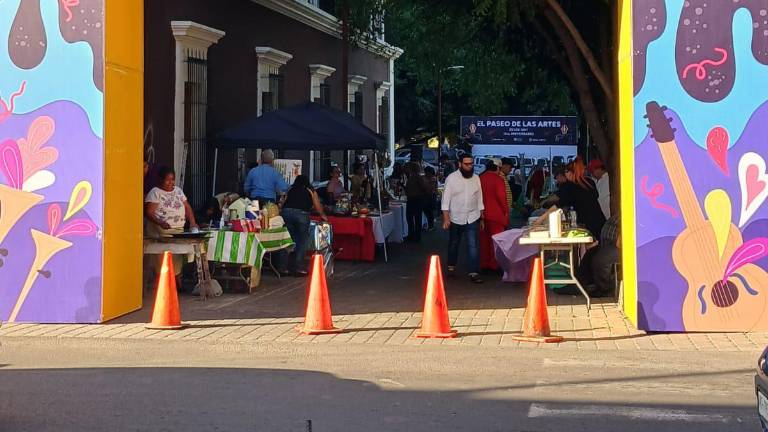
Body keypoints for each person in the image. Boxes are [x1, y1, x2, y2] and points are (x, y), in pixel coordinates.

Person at [441, 154, 485, 284]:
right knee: (454, 243)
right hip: (455, 217)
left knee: (473, 245)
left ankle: (473, 273)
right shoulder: (452, 179)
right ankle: (451, 268)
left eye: (471, 164)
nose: (470, 166)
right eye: (466, 164)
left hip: (473, 216)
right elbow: (446, 200)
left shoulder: (476, 178)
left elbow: (479, 199)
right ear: (459, 164)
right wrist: (446, 218)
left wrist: (482, 217)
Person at [539, 159, 606, 238]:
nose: (565, 174)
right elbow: (595, 196)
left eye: (566, 172)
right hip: (600, 221)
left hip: (587, 224)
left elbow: (557, 205)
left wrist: (540, 219)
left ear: (571, 173)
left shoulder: (571, 186)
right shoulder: (589, 181)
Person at [281, 175, 328, 276]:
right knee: (302, 241)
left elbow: (282, 202)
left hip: (286, 213)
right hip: (301, 214)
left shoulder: (290, 189)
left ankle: (284, 267)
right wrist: (323, 215)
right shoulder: (310, 190)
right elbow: (317, 206)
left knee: (288, 240)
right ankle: (298, 267)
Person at [144, 166, 198, 238]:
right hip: (161, 234)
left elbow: (187, 207)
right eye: (167, 180)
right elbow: (149, 212)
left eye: (172, 179)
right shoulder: (155, 192)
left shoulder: (178, 190)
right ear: (161, 180)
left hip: (179, 231)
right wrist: (160, 222)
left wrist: (192, 222)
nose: (170, 182)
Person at [576, 213, 620, 297]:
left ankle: (605, 289)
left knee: (602, 258)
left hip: (620, 247)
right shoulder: (618, 215)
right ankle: (581, 284)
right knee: (591, 253)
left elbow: (619, 243)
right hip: (608, 243)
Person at [478, 161, 509, 271]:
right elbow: (502, 198)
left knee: (484, 242)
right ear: (497, 168)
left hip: (481, 214)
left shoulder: (479, 178)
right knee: (496, 242)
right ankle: (494, 265)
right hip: (497, 215)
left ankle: (484, 264)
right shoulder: (498, 180)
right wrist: (506, 212)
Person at [404, 162, 427, 242]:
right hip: (413, 198)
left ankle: (415, 236)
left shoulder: (417, 177)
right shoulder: (413, 177)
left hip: (416, 198)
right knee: (412, 218)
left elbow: (423, 187)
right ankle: (413, 235)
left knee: (415, 218)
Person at [422, 166, 438, 231]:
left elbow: (431, 188)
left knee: (429, 212)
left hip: (430, 196)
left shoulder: (433, 179)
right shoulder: (424, 177)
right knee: (427, 211)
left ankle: (431, 226)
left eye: (427, 172)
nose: (425, 173)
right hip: (427, 196)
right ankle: (429, 225)